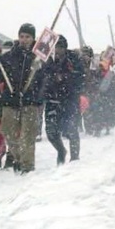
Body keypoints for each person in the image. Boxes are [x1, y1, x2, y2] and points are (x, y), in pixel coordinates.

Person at [0, 23, 44, 174]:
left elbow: (44, 79)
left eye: (27, 37)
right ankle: (19, 158)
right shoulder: (9, 57)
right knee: (7, 131)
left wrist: (37, 95)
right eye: (21, 36)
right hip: (11, 100)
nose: (24, 39)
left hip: (30, 101)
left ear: (33, 38)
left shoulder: (38, 57)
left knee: (28, 135)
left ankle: (27, 166)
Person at [42, 36, 85, 165]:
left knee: (71, 129)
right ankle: (61, 151)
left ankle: (74, 157)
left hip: (69, 99)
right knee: (51, 132)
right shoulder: (46, 60)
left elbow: (80, 77)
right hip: (52, 100)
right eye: (55, 47)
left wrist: (64, 78)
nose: (57, 50)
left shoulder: (74, 59)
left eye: (60, 47)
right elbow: (42, 76)